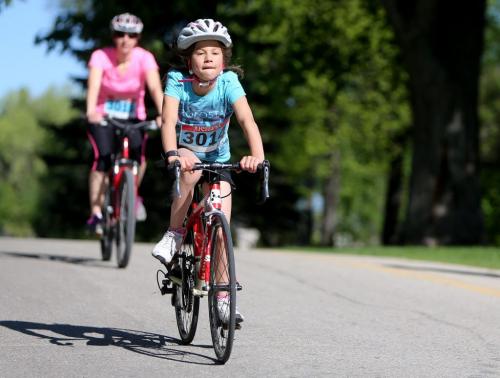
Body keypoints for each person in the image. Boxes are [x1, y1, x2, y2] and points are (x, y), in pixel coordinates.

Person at [152, 19, 265, 324]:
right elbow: (167, 122)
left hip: (219, 159)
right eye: (201, 53)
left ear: (224, 59)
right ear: (189, 60)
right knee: (188, 172)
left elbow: (247, 121)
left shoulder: (229, 82)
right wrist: (173, 154)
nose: (209, 58)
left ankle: (224, 299)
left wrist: (256, 157)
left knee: (221, 227)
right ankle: (175, 234)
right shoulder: (178, 80)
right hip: (188, 156)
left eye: (215, 52)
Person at [86, 12, 163, 234]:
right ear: (113, 36)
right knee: (102, 158)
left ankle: (132, 194)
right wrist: (91, 111)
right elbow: (93, 87)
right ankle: (96, 212)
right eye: (120, 34)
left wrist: (162, 114)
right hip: (103, 115)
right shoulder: (100, 56)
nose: (125, 39)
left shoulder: (145, 57)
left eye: (131, 35)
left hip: (133, 116)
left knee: (139, 158)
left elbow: (155, 89)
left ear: (137, 38)